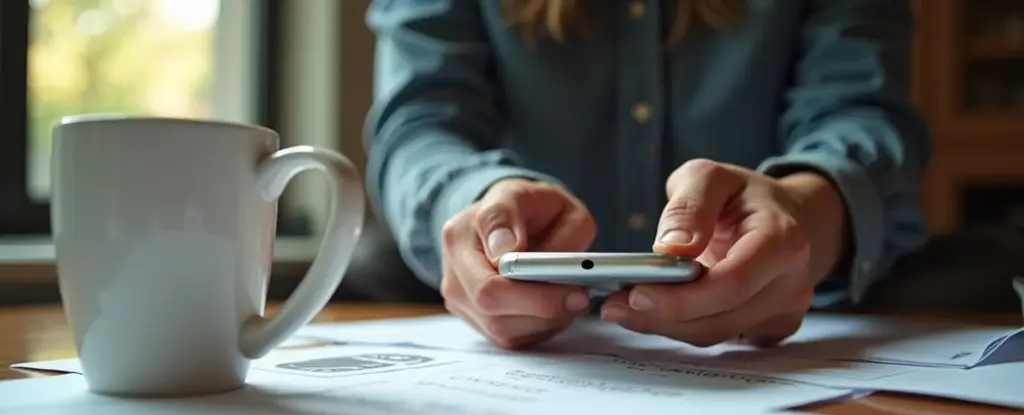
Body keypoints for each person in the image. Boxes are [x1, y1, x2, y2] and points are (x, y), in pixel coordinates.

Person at [364, 0, 930, 350]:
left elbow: (863, 110)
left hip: (805, 311)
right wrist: (475, 198)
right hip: (491, 307)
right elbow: (419, 124)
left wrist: (804, 209)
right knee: (361, 271)